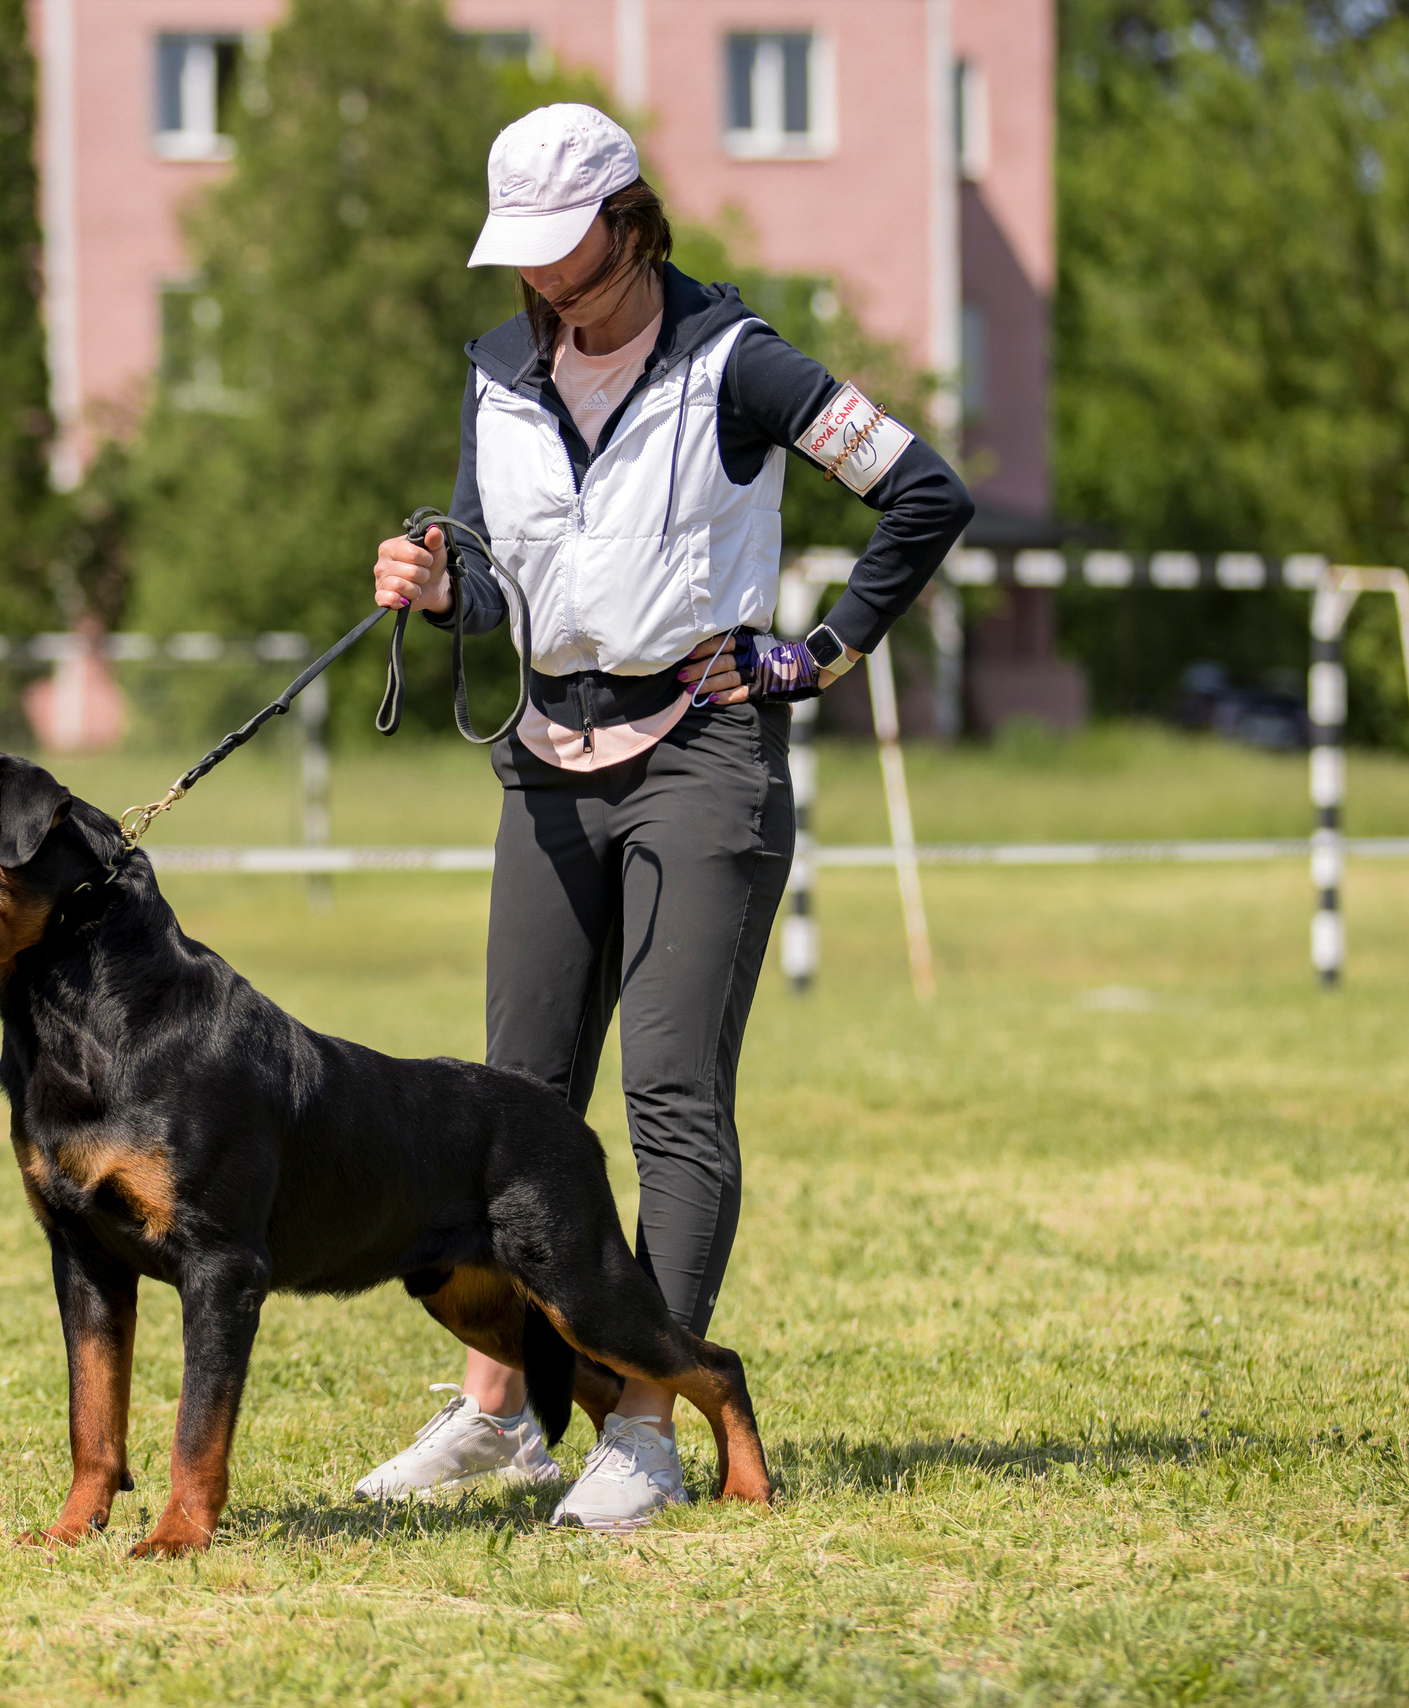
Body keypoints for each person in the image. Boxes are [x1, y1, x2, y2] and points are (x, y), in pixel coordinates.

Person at [353, 104, 972, 1530]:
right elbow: (501, 573)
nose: (549, 293)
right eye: (528, 268)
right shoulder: (501, 374)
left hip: (706, 756)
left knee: (673, 1098)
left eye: (570, 261)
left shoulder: (741, 365)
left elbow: (923, 495)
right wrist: (445, 585)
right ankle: (502, 1413)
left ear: (633, 224)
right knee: (510, 1106)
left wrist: (818, 654)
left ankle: (647, 1424)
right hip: (545, 758)